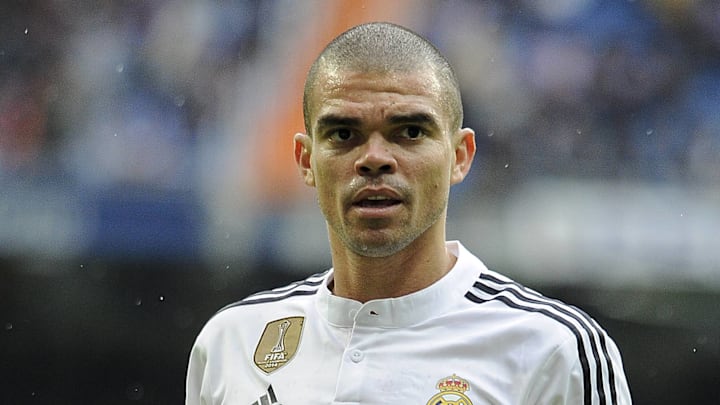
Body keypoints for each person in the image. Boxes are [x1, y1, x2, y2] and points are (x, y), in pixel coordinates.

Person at [186, 22, 632, 404]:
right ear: (306, 161)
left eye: (410, 132)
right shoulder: (232, 341)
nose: (374, 159)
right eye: (343, 134)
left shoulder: (554, 349)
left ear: (460, 156)